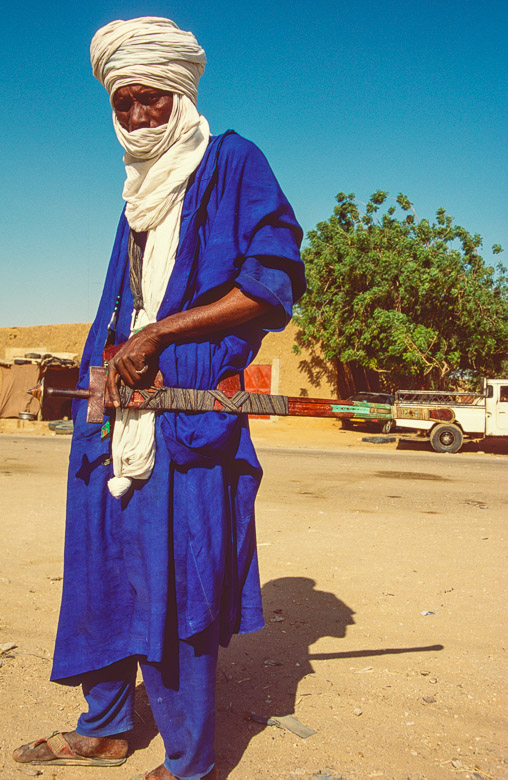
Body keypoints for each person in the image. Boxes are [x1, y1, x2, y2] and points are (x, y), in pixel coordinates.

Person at [13, 16, 305, 780]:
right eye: (125, 104)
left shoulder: (233, 162)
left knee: (179, 583)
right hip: (113, 412)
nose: (140, 116)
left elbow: (271, 284)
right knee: (103, 568)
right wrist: (114, 361)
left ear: (180, 92)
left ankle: (190, 762)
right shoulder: (137, 193)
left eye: (153, 100)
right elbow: (128, 304)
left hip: (187, 415)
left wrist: (163, 335)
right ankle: (106, 727)